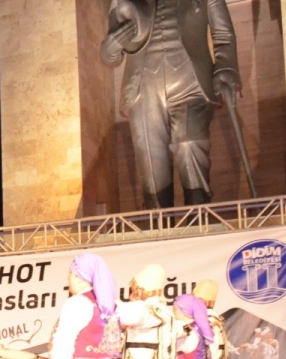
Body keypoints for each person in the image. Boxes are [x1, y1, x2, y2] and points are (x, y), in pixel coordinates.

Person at [100, 0, 241, 208]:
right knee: (151, 165)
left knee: (189, 142)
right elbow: (111, 58)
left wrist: (226, 68)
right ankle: (158, 222)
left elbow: (222, 33)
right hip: (143, 88)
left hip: (190, 81)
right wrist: (110, 47)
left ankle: (198, 216)